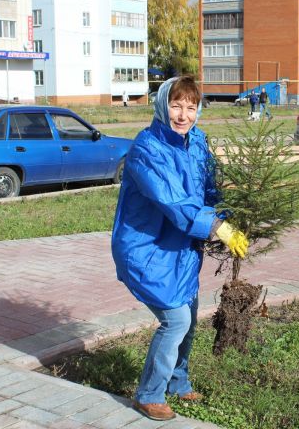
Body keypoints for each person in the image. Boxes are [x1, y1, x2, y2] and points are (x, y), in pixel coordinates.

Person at [112, 76, 249, 421]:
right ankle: (148, 394)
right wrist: (217, 227)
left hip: (181, 248)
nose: (183, 114)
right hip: (146, 247)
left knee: (188, 313)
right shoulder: (146, 148)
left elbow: (209, 190)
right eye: (176, 105)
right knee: (176, 321)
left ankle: (178, 381)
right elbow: (172, 201)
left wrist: (233, 216)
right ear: (162, 105)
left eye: (191, 106)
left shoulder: (197, 141)